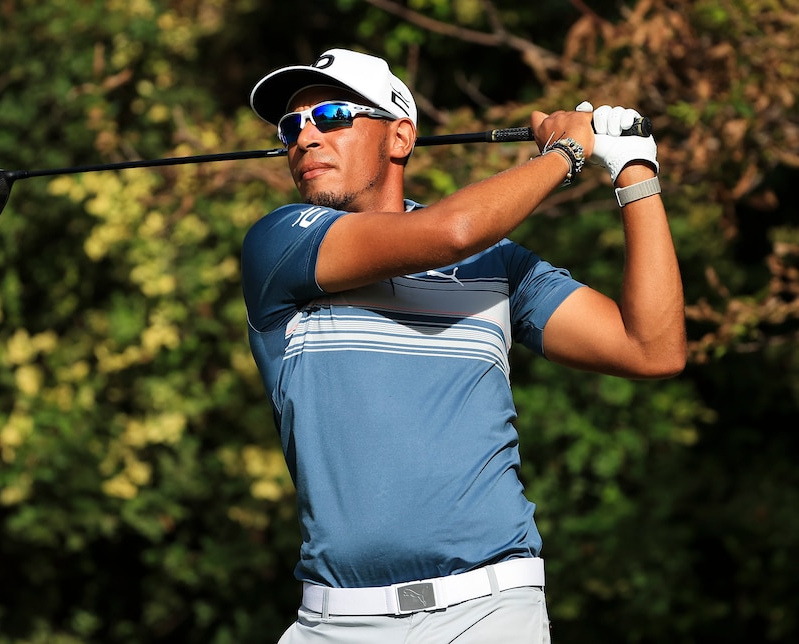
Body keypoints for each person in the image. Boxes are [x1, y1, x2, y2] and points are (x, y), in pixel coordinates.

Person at [240, 48, 686, 644]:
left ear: (400, 137)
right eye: (291, 126)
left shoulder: (496, 266)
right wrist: (566, 153)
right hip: (334, 620)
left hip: (489, 610)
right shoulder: (279, 246)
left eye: (332, 116)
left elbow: (651, 348)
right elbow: (453, 231)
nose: (306, 136)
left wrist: (635, 172)